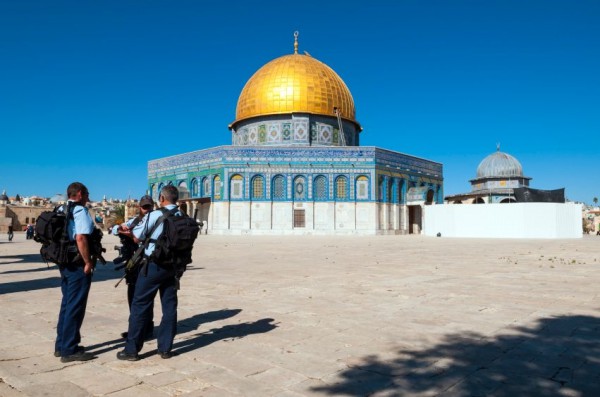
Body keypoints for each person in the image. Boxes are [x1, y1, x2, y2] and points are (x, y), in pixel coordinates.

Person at [117, 185, 182, 361]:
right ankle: (165, 348)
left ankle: (131, 349)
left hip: (153, 266)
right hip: (173, 267)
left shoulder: (155, 215)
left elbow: (137, 237)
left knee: (140, 305)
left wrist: (127, 234)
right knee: (169, 307)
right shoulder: (182, 216)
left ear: (161, 198)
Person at [54, 182, 96, 362]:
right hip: (76, 263)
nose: (87, 198)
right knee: (75, 306)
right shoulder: (79, 211)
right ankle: (69, 350)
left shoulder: (61, 209)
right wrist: (87, 261)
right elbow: (80, 237)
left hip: (64, 261)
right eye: (86, 194)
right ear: (79, 194)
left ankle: (62, 345)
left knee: (67, 304)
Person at [112, 195, 155, 340]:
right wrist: (119, 228)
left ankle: (146, 328)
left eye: (149, 207)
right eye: (145, 207)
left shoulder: (156, 221)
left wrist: (132, 236)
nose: (147, 210)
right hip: (133, 264)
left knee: (145, 298)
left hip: (147, 262)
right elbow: (114, 230)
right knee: (133, 296)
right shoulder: (135, 221)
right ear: (140, 208)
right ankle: (136, 328)